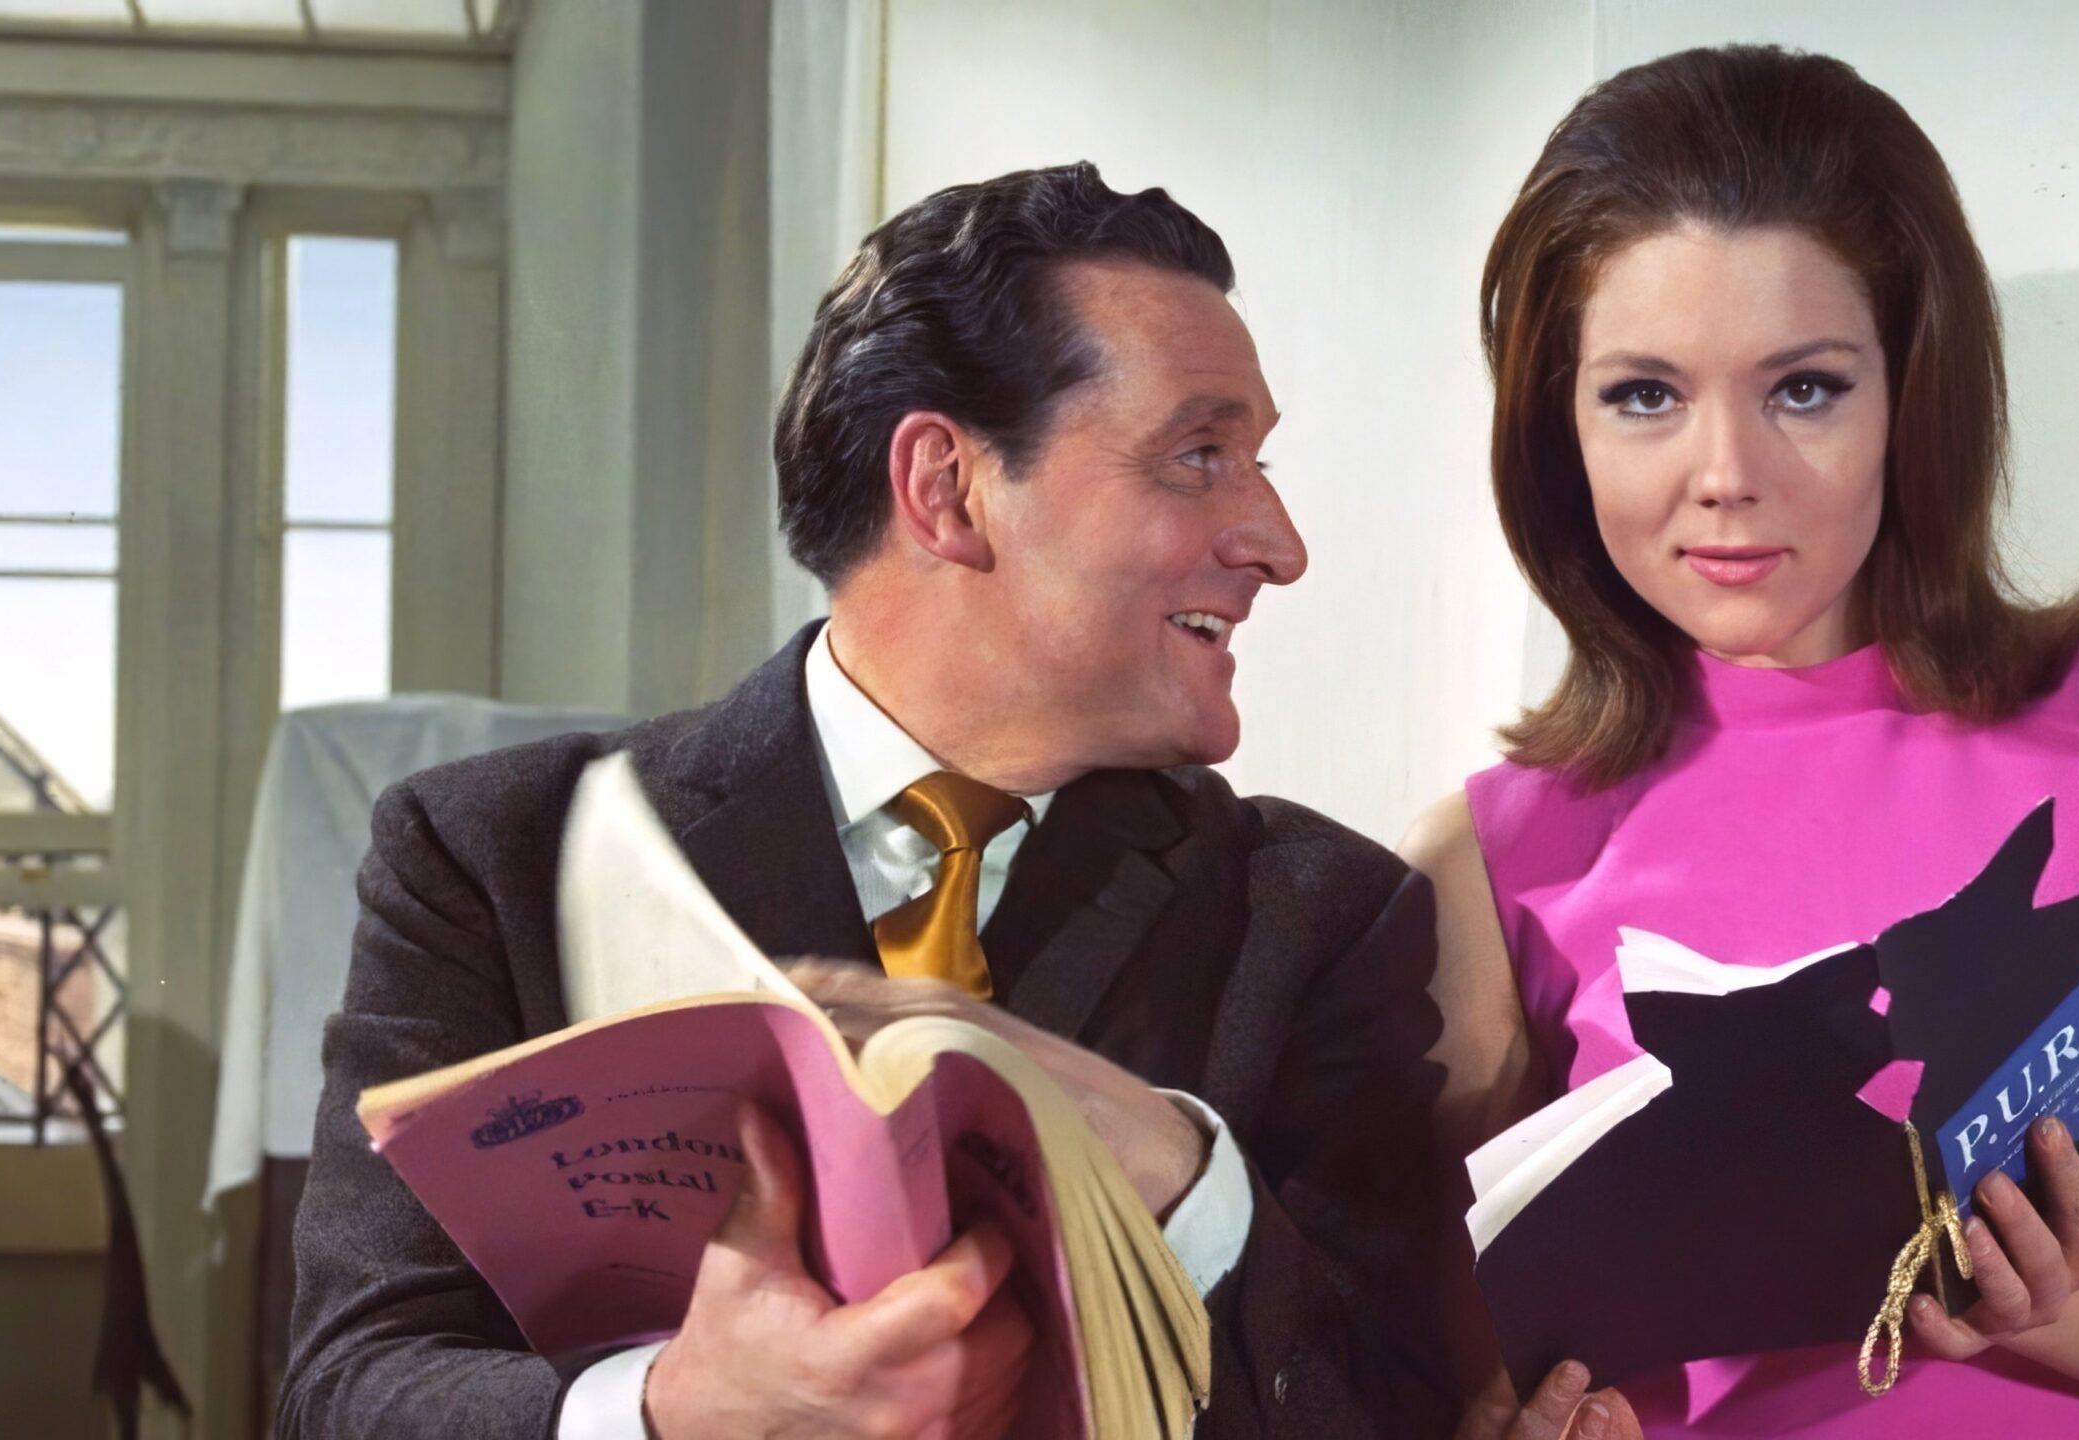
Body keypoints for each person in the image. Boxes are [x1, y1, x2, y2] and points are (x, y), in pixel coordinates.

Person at [281, 162, 1548, 1440]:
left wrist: (1175, 1169)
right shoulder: (487, 858)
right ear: (945, 488)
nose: (1278, 544)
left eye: (1254, 461)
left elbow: (1398, 1404)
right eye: (1198, 457)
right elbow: (347, 1393)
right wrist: (673, 1412)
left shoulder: (1319, 918)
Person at [1404, 46, 2079, 1438]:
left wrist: (2053, 1296)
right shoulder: (1488, 854)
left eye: (1803, 389)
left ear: (1912, 393)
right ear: (1555, 430)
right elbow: (1474, 1385)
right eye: (1644, 395)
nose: (1725, 474)